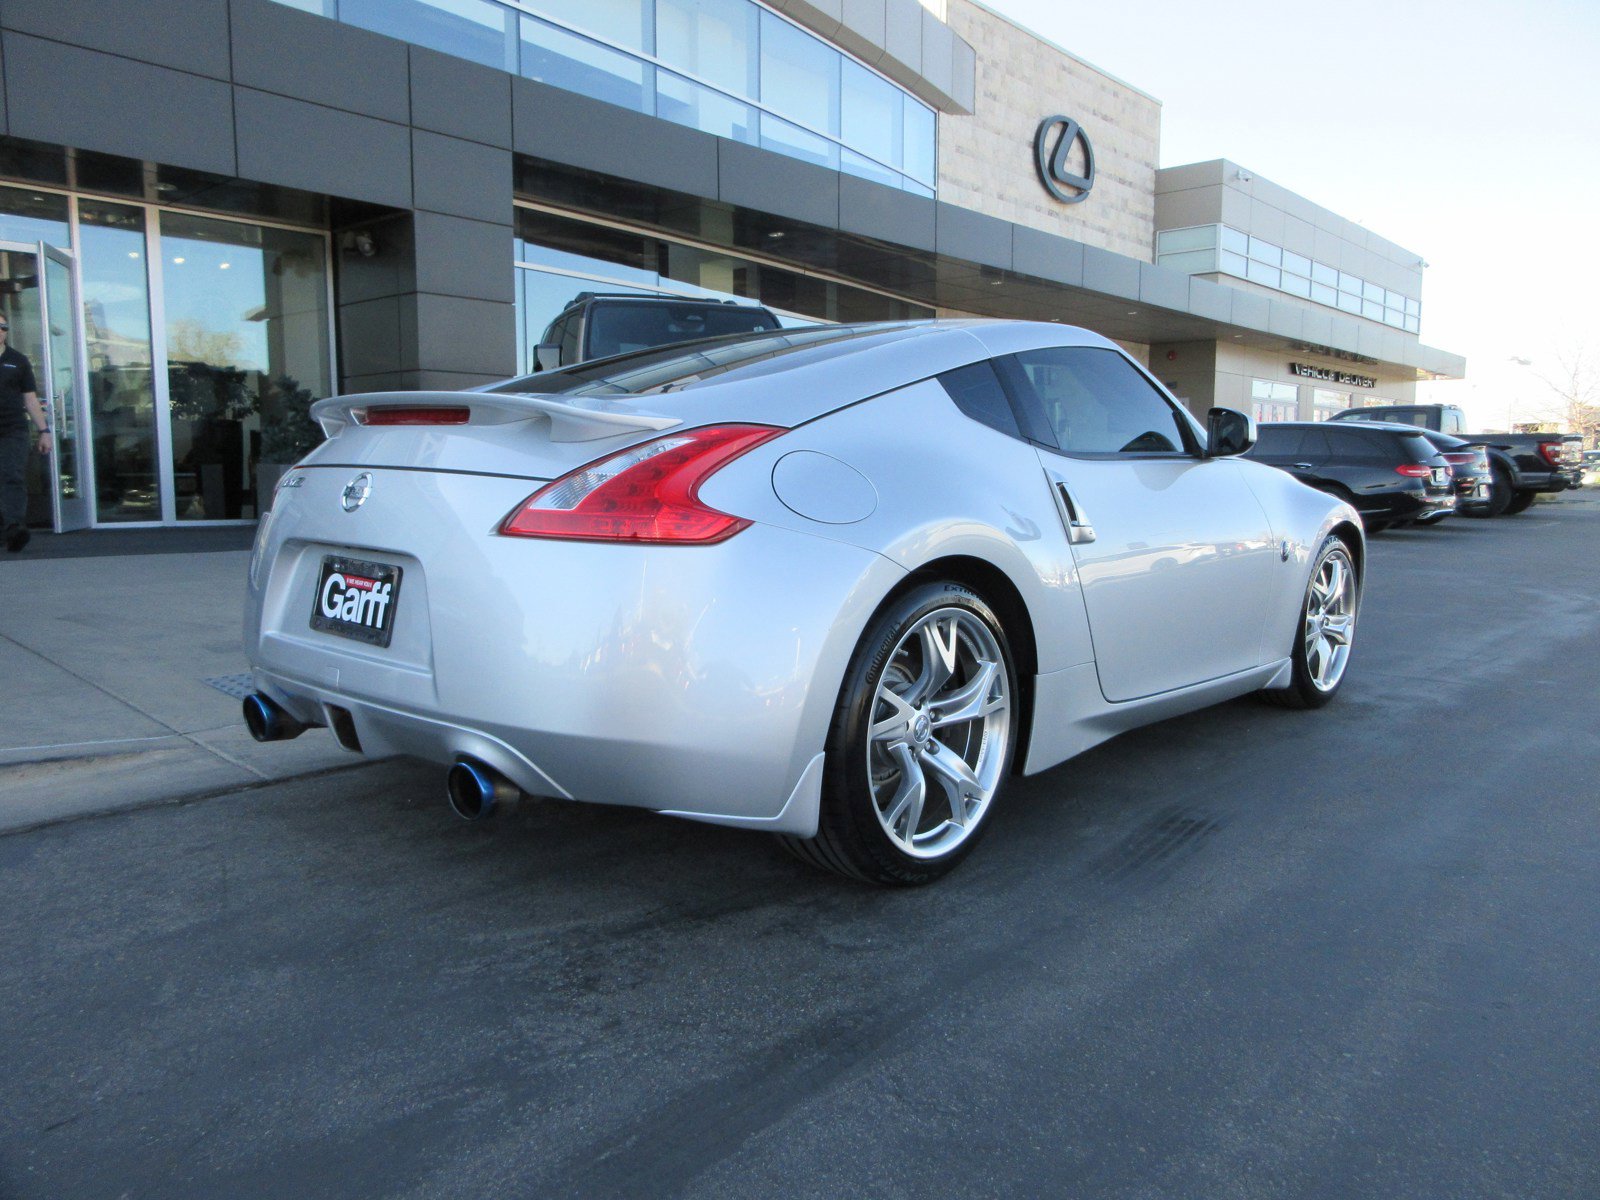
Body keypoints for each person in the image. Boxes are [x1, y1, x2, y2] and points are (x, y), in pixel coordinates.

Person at [0, 317, 49, 553]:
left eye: (3, 327)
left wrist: (44, 431)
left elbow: (30, 399)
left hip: (12, 430)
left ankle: (15, 528)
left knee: (12, 475)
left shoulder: (17, 361)